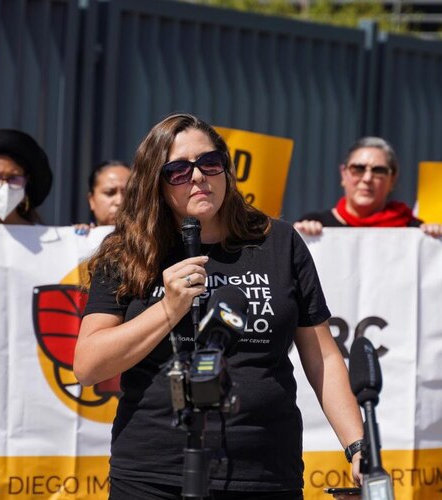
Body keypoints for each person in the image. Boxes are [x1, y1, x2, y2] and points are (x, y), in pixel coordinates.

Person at [74, 113, 364, 499]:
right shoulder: (128, 252)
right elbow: (89, 365)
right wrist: (167, 309)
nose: (197, 177)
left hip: (263, 471)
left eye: (209, 164)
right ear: (154, 183)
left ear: (226, 171)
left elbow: (323, 357)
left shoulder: (278, 242)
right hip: (154, 474)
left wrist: (358, 446)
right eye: (178, 170)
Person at [293, 136, 442, 236]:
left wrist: (436, 239)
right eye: (358, 169)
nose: (367, 178)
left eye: (378, 170)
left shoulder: (412, 230)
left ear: (392, 179)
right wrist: (301, 236)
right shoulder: (315, 225)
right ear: (343, 174)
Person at [74, 160, 131, 234]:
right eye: (109, 193)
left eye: (129, 194)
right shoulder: (78, 239)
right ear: (92, 200)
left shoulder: (147, 241)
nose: (119, 201)